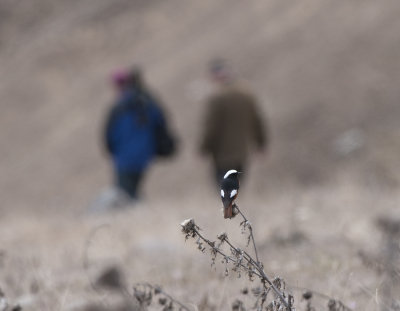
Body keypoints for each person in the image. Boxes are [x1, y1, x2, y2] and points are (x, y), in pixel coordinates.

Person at [103, 67, 176, 203]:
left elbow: (109, 134)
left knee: (124, 193)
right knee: (133, 189)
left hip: (124, 157)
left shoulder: (120, 106)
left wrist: (112, 150)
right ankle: (137, 209)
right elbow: (161, 124)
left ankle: (131, 214)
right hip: (144, 155)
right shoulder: (149, 103)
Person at [199, 59, 268, 184]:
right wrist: (261, 143)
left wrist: (204, 148)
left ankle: (229, 204)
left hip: (221, 153)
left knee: (224, 188)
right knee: (237, 185)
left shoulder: (217, 97)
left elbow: (211, 127)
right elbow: (257, 121)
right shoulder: (247, 94)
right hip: (242, 152)